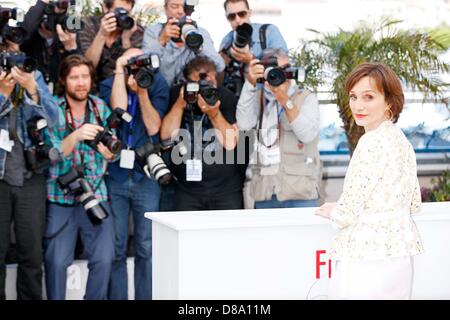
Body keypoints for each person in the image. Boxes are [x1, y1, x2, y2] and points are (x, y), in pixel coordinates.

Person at [315, 62, 424, 300]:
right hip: (399, 259)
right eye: (354, 96)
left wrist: (335, 210)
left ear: (390, 103)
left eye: (369, 97)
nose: (358, 105)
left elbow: (347, 213)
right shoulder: (401, 141)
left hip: (364, 261)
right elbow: (414, 202)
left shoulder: (370, 143)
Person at [98, 48, 170, 300]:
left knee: (146, 247)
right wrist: (119, 69)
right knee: (116, 248)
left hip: (146, 175)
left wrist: (141, 91)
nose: (138, 70)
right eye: (132, 64)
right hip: (115, 173)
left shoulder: (157, 83)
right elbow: (118, 108)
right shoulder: (109, 83)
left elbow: (153, 126)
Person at [44, 55, 116, 300]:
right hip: (60, 194)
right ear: (64, 80)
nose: (81, 82)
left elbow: (112, 150)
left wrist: (110, 153)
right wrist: (76, 135)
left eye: (85, 76)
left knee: (105, 259)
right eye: (74, 77)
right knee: (55, 262)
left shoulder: (100, 107)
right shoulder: (52, 108)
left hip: (96, 192)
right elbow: (52, 155)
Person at [0, 40, 58, 300]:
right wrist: (3, 94)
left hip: (30, 175)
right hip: (1, 179)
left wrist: (32, 88)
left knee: (32, 255)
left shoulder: (31, 75)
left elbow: (54, 119)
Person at [237, 48, 321, 209]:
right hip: (265, 189)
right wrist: (250, 83)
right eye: (273, 71)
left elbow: (308, 135)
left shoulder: (306, 98)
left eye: (283, 69)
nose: (278, 74)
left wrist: (283, 98)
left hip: (299, 191)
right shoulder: (258, 97)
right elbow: (244, 124)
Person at [160, 56, 243, 210]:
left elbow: (230, 143)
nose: (203, 87)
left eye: (210, 82)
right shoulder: (177, 94)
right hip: (187, 189)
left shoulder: (223, 96)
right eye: (198, 82)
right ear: (186, 81)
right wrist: (180, 104)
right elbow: (166, 136)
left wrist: (214, 114)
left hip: (225, 188)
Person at [142, 0, 225, 87]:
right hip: (161, 92)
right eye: (174, 6)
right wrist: (161, 41)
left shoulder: (200, 33)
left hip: (193, 92)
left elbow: (219, 66)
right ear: (165, 8)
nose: (180, 11)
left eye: (185, 7)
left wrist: (197, 46)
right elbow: (145, 69)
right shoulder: (153, 32)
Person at [219, 0, 288, 97]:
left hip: (266, 97)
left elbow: (283, 66)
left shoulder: (268, 32)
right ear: (227, 18)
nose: (237, 20)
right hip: (237, 101)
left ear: (249, 13)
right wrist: (221, 64)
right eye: (232, 16)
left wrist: (250, 59)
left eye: (242, 14)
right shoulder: (227, 40)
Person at [21, 0, 82, 93]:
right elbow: (24, 31)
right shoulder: (29, 36)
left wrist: (71, 48)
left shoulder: (69, 37)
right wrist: (42, 4)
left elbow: (81, 71)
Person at [79, 0, 143, 83]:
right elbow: (87, 67)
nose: (122, 17)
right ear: (105, 8)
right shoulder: (89, 25)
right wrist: (101, 35)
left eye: (126, 12)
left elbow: (131, 72)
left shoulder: (134, 30)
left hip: (120, 85)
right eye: (119, 12)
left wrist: (126, 40)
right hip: (88, 85)